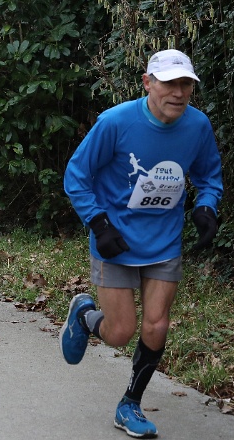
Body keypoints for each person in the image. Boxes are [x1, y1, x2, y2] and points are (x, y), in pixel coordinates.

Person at [59, 48, 222, 439]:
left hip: (164, 241)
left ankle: (130, 403)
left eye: (185, 84)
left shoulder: (197, 125)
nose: (178, 93)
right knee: (120, 332)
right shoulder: (115, 122)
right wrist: (99, 224)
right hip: (114, 240)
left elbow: (209, 176)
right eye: (169, 84)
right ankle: (84, 316)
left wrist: (206, 207)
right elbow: (76, 175)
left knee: (157, 325)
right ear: (148, 83)